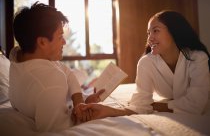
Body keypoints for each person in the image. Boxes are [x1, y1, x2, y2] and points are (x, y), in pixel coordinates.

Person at [80, 10, 210, 120]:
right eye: (148, 33)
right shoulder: (146, 62)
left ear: (174, 31)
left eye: (156, 31)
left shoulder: (198, 58)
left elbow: (196, 104)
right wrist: (107, 111)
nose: (149, 38)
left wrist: (160, 106)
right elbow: (141, 105)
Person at [9, 2, 104, 132]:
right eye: (60, 36)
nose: (64, 42)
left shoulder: (18, 55)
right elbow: (58, 131)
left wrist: (80, 101)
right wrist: (81, 114)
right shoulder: (50, 80)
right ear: (42, 42)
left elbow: (68, 73)